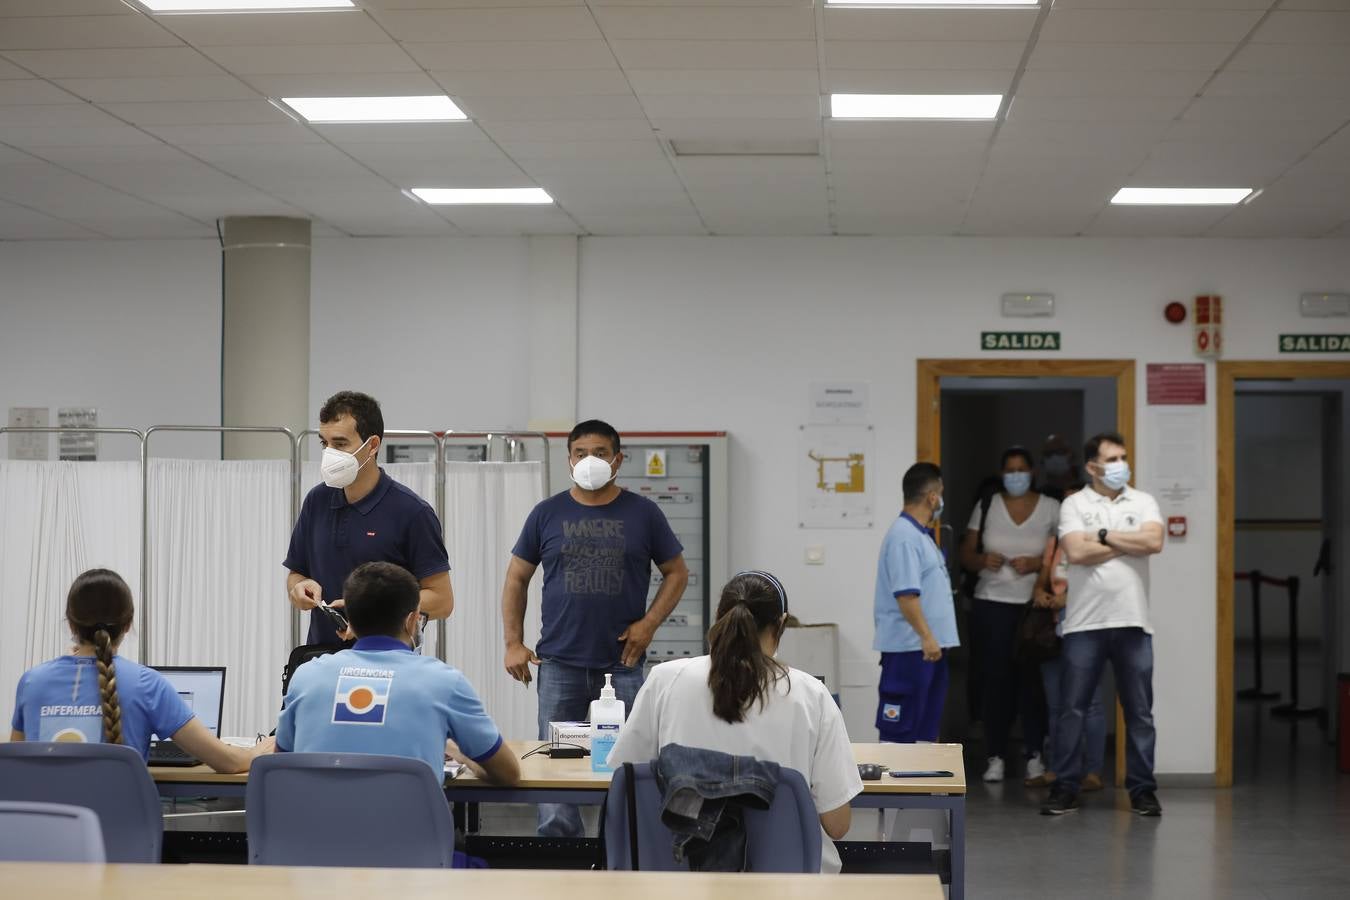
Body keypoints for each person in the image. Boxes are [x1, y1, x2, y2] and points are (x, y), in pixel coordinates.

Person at [501, 419, 689, 836]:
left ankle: (625, 846)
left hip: (622, 665)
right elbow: (516, 578)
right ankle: (558, 855)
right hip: (560, 666)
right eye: (581, 453)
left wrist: (649, 624)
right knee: (559, 774)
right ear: (568, 459)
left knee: (627, 768)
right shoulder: (547, 513)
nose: (590, 461)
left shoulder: (643, 513)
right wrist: (513, 642)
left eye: (600, 453)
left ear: (618, 459)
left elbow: (677, 572)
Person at [608, 571, 862, 874]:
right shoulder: (810, 695)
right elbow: (837, 824)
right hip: (788, 886)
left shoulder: (666, 680)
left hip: (679, 880)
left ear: (718, 617)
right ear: (780, 625)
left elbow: (627, 782)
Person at [277, 561, 519, 785]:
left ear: (348, 619)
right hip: (409, 830)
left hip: (315, 830)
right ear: (412, 620)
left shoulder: (306, 677)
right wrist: (459, 754)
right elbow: (508, 773)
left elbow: (282, 763)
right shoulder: (444, 682)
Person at [9, 569, 273, 773]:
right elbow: (225, 762)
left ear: (70, 624)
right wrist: (259, 750)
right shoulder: (146, 684)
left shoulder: (32, 682)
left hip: (43, 839)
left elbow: (16, 768)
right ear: (128, 625)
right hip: (121, 840)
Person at [1042, 432, 1164, 817]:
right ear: (1093, 466)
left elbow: (1155, 542)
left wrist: (1103, 535)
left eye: (1123, 457)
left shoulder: (1143, 501)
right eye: (1112, 459)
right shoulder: (1074, 504)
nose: (1120, 465)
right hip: (1084, 624)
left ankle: (1142, 790)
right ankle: (1065, 786)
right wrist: (1128, 541)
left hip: (1133, 622)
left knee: (1140, 713)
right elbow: (1075, 551)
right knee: (1072, 709)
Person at [285, 391, 453, 646]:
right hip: (322, 662)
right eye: (324, 443)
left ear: (372, 446)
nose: (330, 453)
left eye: (340, 444)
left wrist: (372, 615)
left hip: (387, 666)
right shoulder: (316, 501)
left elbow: (442, 600)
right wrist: (299, 587)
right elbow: (296, 573)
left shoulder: (412, 512)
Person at [958, 447, 1059, 784]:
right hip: (991, 605)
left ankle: (1034, 754)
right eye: (1010, 469)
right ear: (1002, 473)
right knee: (995, 683)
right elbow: (967, 553)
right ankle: (995, 755)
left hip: (1034, 609)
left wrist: (1036, 565)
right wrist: (981, 560)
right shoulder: (987, 505)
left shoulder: (1051, 508)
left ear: (1032, 472)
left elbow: (1063, 553)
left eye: (1022, 469)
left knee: (1032, 685)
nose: (1016, 474)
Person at [874, 462, 960, 743]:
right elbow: (906, 595)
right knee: (901, 729)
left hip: (928, 649)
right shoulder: (903, 537)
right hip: (911, 649)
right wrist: (927, 637)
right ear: (932, 497)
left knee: (924, 731)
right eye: (941, 493)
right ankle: (897, 787)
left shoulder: (921, 536)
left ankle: (919, 786)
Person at [1030, 482, 1106, 791]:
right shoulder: (1056, 541)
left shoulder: (1099, 538)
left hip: (1087, 626)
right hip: (1053, 628)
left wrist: (1070, 598)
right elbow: (1044, 576)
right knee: (1057, 703)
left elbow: (1103, 582)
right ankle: (1059, 767)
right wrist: (1040, 592)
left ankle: (1093, 771)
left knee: (1090, 704)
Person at [1038, 434, 1081, 502]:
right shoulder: (1039, 496)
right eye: (1049, 453)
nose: (1054, 457)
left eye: (1059, 452)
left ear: (1071, 455)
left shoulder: (1085, 491)